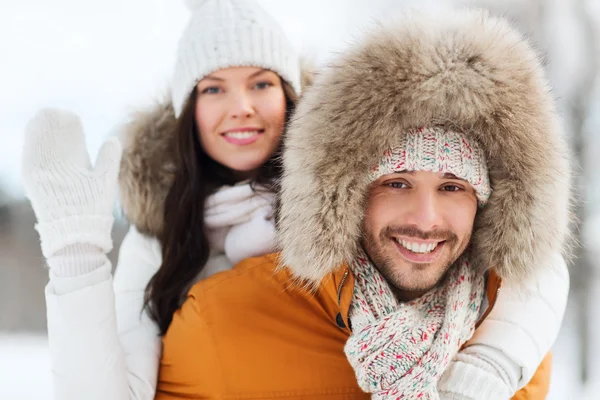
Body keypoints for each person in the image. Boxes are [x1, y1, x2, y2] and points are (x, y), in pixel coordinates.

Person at [155, 9, 571, 400]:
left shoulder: (510, 346)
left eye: (452, 187)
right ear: (345, 194)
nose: (426, 219)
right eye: (396, 182)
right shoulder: (220, 323)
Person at [20, 0, 302, 399]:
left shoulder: (348, 210)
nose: (241, 108)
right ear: (190, 110)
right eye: (214, 88)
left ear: (289, 95)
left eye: (261, 83)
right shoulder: (158, 241)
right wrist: (75, 252)